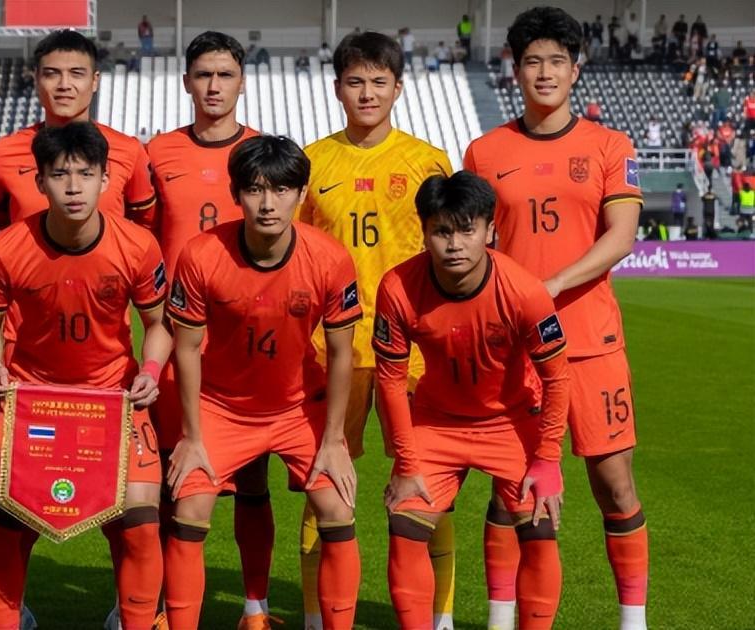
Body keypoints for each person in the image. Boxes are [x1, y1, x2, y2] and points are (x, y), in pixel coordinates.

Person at [463, 8, 649, 630]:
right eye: (532, 61)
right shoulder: (484, 151)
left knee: (614, 484)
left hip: (592, 341)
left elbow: (621, 236)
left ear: (576, 69)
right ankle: (502, 620)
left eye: (556, 61)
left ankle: (633, 622)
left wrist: (550, 286)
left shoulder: (610, 146)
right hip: (515, 347)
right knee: (513, 490)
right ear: (515, 70)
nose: (544, 72)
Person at [0, 122, 169, 630]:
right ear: (40, 182)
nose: (74, 187)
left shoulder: (138, 246)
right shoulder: (5, 249)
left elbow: (158, 324)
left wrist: (150, 370)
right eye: (60, 175)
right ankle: (9, 620)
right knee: (2, 521)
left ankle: (133, 618)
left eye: (86, 174)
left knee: (141, 523)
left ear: (106, 179)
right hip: (32, 401)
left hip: (114, 400)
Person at [164, 135, 363, 630]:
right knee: (190, 505)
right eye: (254, 190)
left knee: (337, 508)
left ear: (302, 193)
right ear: (235, 194)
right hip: (222, 407)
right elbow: (186, 348)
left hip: (298, 408)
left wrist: (334, 440)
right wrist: (191, 436)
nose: (268, 203)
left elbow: (342, 352)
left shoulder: (330, 258)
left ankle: (283, 617)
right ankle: (234, 615)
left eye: (281, 189)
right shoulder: (201, 255)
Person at [297, 30, 454, 630]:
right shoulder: (313, 161)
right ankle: (316, 618)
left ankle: (437, 619)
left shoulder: (427, 162)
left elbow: (449, 253)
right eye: (355, 82)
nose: (367, 93)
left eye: (378, 82)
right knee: (324, 482)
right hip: (330, 349)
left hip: (411, 352)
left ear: (398, 88)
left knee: (428, 485)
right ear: (337, 88)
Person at [377, 171, 569, 630]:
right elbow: (391, 380)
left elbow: (558, 378)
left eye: (467, 230)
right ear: (423, 232)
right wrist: (406, 463)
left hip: (511, 421)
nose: (454, 244)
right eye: (442, 231)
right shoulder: (398, 288)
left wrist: (547, 459)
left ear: (489, 230)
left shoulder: (524, 292)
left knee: (539, 529)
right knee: (404, 525)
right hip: (437, 422)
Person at [146, 31, 267, 628]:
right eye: (203, 75)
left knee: (253, 481)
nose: (214, 86)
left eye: (225, 75)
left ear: (242, 81)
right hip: (178, 336)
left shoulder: (265, 153)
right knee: (174, 475)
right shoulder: (158, 153)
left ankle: (254, 607)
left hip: (247, 340)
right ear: (186, 82)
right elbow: (144, 240)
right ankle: (166, 607)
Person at [0, 29, 155, 229]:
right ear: (36, 79)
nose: (64, 85)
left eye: (76, 74)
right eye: (52, 74)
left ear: (95, 81)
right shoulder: (4, 152)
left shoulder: (129, 151)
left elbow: (149, 228)